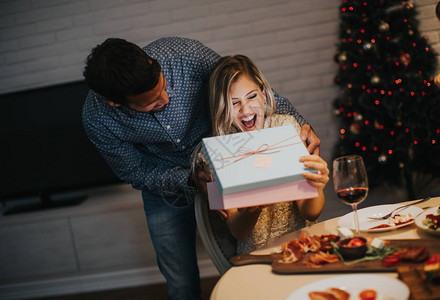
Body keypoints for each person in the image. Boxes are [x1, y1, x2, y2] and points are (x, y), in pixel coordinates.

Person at [82, 37, 320, 299]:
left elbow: (237, 82)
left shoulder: (185, 55)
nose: (166, 98)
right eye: (151, 103)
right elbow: (135, 171)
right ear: (115, 103)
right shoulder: (97, 119)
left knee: (240, 257)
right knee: (180, 280)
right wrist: (190, 178)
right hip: (167, 188)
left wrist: (296, 128)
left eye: (162, 85)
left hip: (228, 155)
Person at [193, 55, 329, 254]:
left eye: (251, 96)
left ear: (264, 94)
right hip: (257, 256)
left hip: (304, 247)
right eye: (234, 103)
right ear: (221, 108)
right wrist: (251, 209)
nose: (246, 109)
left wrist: (316, 186)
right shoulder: (214, 154)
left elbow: (311, 211)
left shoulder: (287, 127)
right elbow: (238, 232)